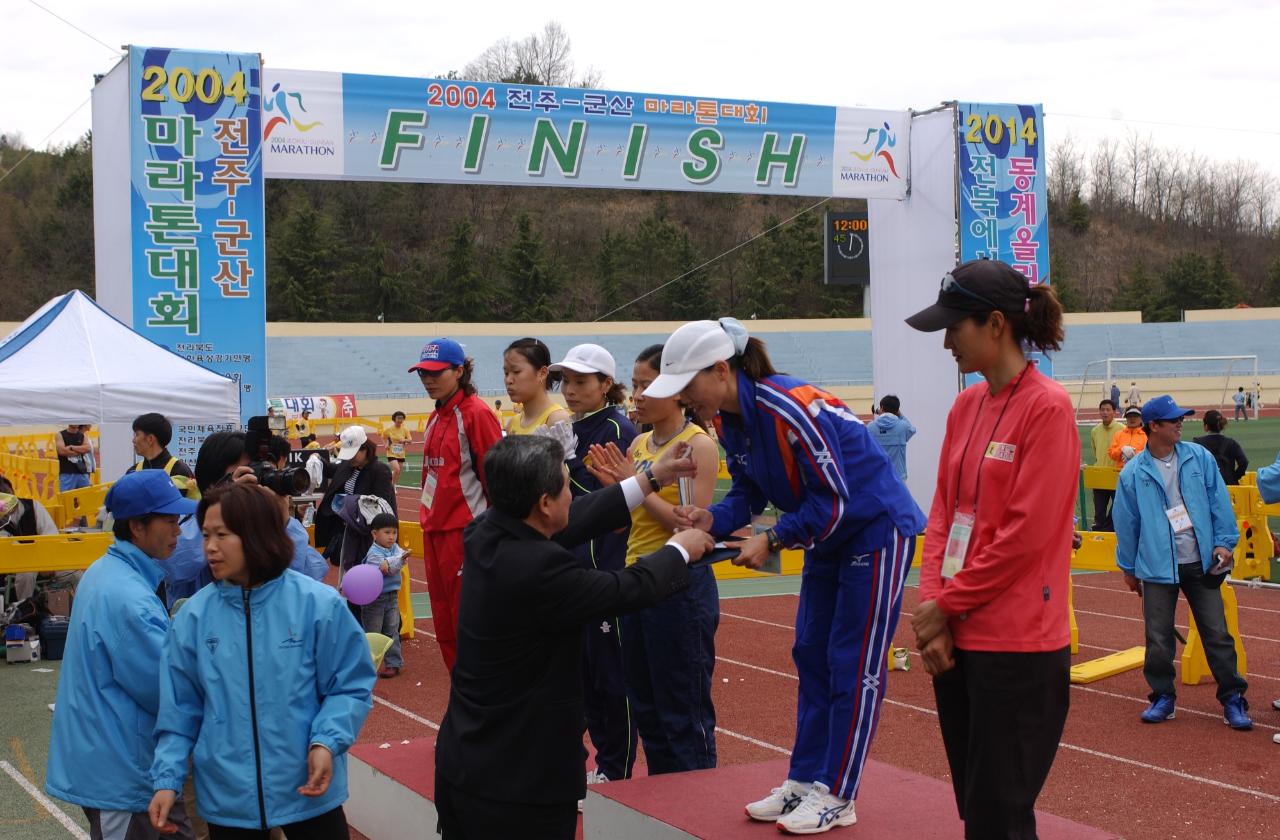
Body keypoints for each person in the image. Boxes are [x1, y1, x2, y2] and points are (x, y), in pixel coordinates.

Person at [650, 317, 925, 835]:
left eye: (687, 387)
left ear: (719, 369)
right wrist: (716, 520)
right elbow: (750, 492)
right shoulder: (729, 419)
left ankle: (839, 792)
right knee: (810, 652)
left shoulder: (788, 407)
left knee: (854, 662)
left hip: (874, 530)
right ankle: (805, 778)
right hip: (827, 535)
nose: (684, 400)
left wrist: (773, 539)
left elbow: (834, 498)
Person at [434, 435, 712, 840]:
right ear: (544, 503)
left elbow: (577, 516)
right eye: (566, 485)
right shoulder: (541, 569)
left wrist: (651, 477)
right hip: (520, 788)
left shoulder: (487, 531)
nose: (573, 493)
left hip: (466, 766)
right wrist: (679, 549)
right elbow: (627, 589)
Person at [904, 260, 1079, 839]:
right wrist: (935, 616)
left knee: (1000, 813)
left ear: (996, 324)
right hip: (956, 639)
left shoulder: (1047, 408)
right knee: (978, 810)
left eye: (956, 326)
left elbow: (1024, 537)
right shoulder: (965, 407)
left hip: (1018, 647)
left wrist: (944, 608)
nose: (947, 341)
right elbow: (943, 515)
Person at [148, 483, 376, 839]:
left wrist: (325, 742)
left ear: (257, 535)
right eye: (206, 534)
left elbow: (349, 686)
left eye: (222, 534)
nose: (209, 546)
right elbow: (179, 709)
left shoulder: (318, 605)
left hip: (310, 790)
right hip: (229, 800)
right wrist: (166, 779)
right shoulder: (192, 617)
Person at [45, 470, 198, 840]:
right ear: (137, 526)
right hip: (127, 774)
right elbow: (167, 691)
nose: (178, 529)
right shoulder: (129, 600)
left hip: (115, 763)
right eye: (168, 519)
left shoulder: (105, 571)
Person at [1113, 395, 1251, 730]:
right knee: (1158, 637)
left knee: (1216, 633)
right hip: (1157, 567)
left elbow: (1219, 502)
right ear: (1154, 427)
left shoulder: (1199, 457)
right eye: (1173, 419)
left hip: (1201, 563)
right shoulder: (1133, 473)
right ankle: (1162, 696)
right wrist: (1129, 569)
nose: (1180, 423)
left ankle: (1233, 698)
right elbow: (1126, 524)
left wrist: (1223, 542)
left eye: (1181, 418)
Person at [616, 344, 721, 775]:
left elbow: (689, 525)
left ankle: (694, 804)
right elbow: (628, 520)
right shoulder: (639, 442)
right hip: (635, 578)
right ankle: (662, 804)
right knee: (646, 704)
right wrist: (619, 493)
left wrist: (635, 486)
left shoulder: (697, 444)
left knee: (681, 706)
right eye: (635, 383)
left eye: (648, 384)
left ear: (678, 391)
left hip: (678, 584)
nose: (637, 394)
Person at [550, 343, 639, 785]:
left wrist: (565, 465)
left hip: (606, 569)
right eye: (565, 381)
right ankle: (602, 763)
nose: (569, 390)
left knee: (610, 676)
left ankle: (615, 769)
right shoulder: (570, 427)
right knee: (583, 676)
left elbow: (610, 504)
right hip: (572, 573)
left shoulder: (617, 431)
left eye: (581, 381)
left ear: (607, 384)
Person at [410, 338, 503, 671]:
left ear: (459, 371)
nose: (428, 380)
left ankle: (484, 696)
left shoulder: (476, 414)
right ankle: (463, 693)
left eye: (436, 372)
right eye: (423, 373)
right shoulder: (435, 418)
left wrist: (493, 534)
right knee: (444, 624)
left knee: (471, 623)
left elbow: (496, 480)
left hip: (466, 535)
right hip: (434, 533)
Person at [315, 426, 396, 572]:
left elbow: (381, 505)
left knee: (367, 575)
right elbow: (332, 470)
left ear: (365, 450)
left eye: (353, 454)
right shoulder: (348, 466)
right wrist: (316, 458)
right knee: (349, 573)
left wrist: (352, 504)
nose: (350, 458)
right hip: (350, 532)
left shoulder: (379, 471)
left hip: (369, 536)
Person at [362, 512, 407, 678]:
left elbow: (399, 559)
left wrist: (395, 560)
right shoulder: (374, 553)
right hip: (374, 599)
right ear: (375, 534)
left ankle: (393, 663)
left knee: (392, 630)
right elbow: (388, 570)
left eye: (394, 532)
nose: (391, 537)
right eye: (387, 532)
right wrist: (396, 561)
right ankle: (367, 665)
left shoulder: (394, 548)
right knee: (373, 632)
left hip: (391, 596)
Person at [502, 337, 572, 436]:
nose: (508, 380)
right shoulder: (512, 424)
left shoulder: (556, 420)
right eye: (506, 373)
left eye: (516, 372)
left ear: (542, 373)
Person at [129, 413, 195, 480]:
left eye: (137, 435)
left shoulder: (179, 471)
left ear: (150, 439)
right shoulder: (133, 471)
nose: (133, 440)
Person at [1090, 399, 1123, 530]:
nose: (1105, 412)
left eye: (1108, 409)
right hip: (1099, 476)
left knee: (1117, 509)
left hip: (1116, 476)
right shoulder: (1095, 431)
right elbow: (1095, 451)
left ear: (1114, 412)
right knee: (1099, 511)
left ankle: (1109, 532)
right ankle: (1099, 535)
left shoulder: (1122, 430)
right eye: (1102, 409)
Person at [1194, 409, 1248, 486]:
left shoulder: (1198, 443)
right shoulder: (1231, 443)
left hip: (1206, 486)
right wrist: (1233, 478)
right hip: (1228, 486)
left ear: (1206, 426)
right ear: (1221, 426)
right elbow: (1244, 462)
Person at [869, 394, 916, 481]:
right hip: (898, 478)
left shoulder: (870, 427)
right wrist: (900, 414)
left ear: (881, 408)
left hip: (878, 477)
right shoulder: (903, 426)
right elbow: (912, 430)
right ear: (897, 410)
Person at [55, 423, 94, 492]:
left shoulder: (82, 435)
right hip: (66, 473)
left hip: (82, 473)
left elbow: (87, 448)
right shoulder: (60, 434)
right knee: (66, 500)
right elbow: (61, 451)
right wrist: (79, 451)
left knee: (85, 497)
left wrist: (71, 447)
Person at [384, 410, 413, 485]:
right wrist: (386, 444)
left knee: (398, 471)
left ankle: (394, 485)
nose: (400, 420)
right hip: (391, 453)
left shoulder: (405, 429)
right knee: (396, 469)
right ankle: (390, 485)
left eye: (402, 418)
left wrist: (404, 440)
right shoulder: (389, 429)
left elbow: (410, 440)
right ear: (394, 419)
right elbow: (384, 437)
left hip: (401, 453)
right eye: (398, 418)